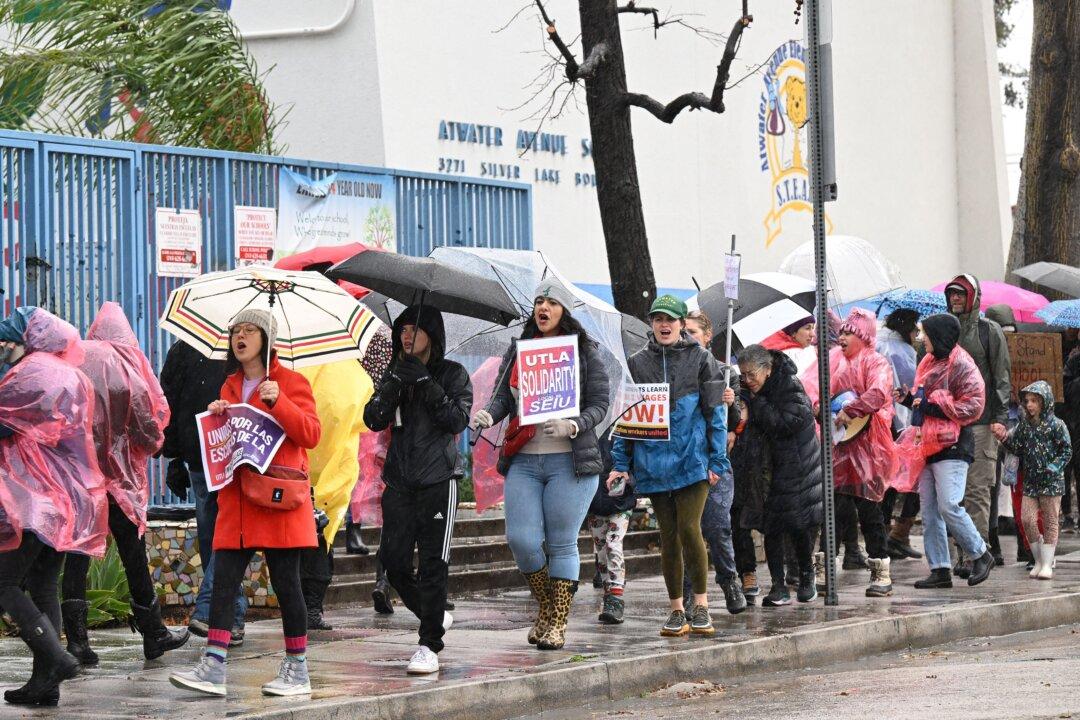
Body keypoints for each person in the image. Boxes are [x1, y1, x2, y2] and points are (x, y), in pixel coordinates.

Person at [171, 309, 321, 698]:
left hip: (278, 499)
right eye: (235, 330)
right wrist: (219, 416)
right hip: (237, 501)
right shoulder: (229, 386)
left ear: (266, 339)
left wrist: (281, 402)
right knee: (223, 583)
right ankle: (214, 666)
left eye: (249, 330)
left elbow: (311, 434)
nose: (240, 337)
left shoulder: (291, 382)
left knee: (287, 586)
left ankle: (297, 670)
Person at [472, 280, 610, 650]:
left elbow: (600, 403)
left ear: (564, 311)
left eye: (551, 302)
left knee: (562, 542)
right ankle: (548, 606)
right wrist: (489, 413)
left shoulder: (584, 352)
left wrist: (575, 424)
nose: (543, 307)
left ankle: (557, 623)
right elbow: (503, 396)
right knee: (522, 540)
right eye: (538, 302)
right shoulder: (519, 351)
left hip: (571, 461)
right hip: (525, 460)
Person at [609, 294, 744, 638]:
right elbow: (627, 418)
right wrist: (621, 463)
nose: (664, 324)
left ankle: (701, 605)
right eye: (657, 319)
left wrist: (717, 460)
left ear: (683, 324)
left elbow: (715, 414)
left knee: (689, 529)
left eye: (670, 318)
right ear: (651, 324)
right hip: (652, 464)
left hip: (692, 461)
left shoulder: (701, 359)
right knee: (668, 536)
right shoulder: (636, 363)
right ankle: (676, 611)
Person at [62, 303, 189, 665]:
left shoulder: (77, 362)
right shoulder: (129, 369)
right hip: (120, 485)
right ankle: (154, 633)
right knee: (133, 557)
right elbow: (150, 431)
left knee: (77, 555)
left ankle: (77, 643)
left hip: (81, 482)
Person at [0, 307, 107, 707]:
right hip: (69, 499)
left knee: (4, 582)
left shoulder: (33, 373)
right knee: (43, 582)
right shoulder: (70, 373)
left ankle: (57, 659)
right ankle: (46, 683)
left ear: (23, 342)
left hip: (36, 497)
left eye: (5, 344)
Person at [363, 304, 472, 674]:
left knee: (432, 564)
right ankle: (434, 615)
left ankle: (429, 646)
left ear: (432, 334)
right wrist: (395, 381)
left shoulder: (452, 373)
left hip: (438, 479)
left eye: (415, 329)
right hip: (399, 480)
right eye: (402, 329)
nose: (407, 336)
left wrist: (426, 383)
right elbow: (373, 417)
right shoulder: (394, 371)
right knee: (393, 563)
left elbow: (457, 419)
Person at [159, 339, 247, 646]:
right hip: (198, 457)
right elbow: (168, 401)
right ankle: (232, 616)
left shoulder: (244, 353)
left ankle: (212, 610)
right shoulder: (184, 350)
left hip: (233, 458)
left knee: (223, 536)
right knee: (212, 538)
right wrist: (173, 458)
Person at [900, 314, 995, 589]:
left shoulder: (962, 364)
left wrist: (930, 404)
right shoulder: (929, 362)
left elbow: (971, 407)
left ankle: (980, 553)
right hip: (928, 444)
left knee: (949, 504)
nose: (921, 339)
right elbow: (924, 402)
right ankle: (940, 568)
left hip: (953, 446)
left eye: (925, 334)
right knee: (930, 511)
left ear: (938, 336)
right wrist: (908, 399)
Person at [817, 309, 897, 598]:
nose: (842, 337)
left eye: (849, 332)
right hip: (840, 446)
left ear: (863, 336)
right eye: (841, 332)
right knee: (833, 507)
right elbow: (818, 392)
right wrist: (820, 409)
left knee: (869, 509)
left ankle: (881, 573)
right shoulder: (834, 361)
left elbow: (878, 394)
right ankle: (825, 568)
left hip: (869, 447)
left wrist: (850, 410)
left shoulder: (876, 362)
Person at [737, 344, 822, 606]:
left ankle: (806, 575)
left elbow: (785, 422)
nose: (748, 381)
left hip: (796, 466)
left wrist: (757, 402)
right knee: (770, 527)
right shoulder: (749, 392)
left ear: (768, 369)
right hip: (765, 468)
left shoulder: (789, 386)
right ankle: (778, 585)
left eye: (752, 375)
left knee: (797, 524)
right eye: (743, 376)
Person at [680, 309, 750, 606]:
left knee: (717, 524)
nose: (687, 337)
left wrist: (732, 403)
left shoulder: (725, 372)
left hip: (714, 460)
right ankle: (686, 592)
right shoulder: (677, 370)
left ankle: (729, 580)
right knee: (687, 529)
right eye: (684, 332)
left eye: (693, 332)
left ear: (707, 337)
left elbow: (735, 420)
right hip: (685, 459)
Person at [298, 359, 372, 631]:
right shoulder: (351, 369)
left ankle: (309, 608)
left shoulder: (290, 366)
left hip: (314, 463)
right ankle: (310, 608)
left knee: (316, 538)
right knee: (318, 537)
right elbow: (365, 414)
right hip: (327, 466)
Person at [944, 275, 1011, 576]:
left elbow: (1001, 376)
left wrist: (1000, 417)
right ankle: (962, 554)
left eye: (961, 294)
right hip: (949, 424)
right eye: (952, 294)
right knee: (953, 494)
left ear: (972, 297)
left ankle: (977, 552)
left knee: (977, 491)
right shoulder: (944, 330)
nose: (955, 299)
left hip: (983, 424)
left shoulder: (989, 331)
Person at [995, 381, 1072, 579]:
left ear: (1044, 402)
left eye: (1034, 401)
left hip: (1051, 482)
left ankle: (1047, 562)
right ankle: (1038, 559)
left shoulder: (1056, 425)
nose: (1029, 405)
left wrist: (1053, 468)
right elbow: (1017, 448)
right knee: (1027, 519)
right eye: (1027, 401)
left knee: (1050, 521)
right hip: (1031, 481)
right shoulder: (1025, 426)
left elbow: (1066, 450)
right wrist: (1004, 438)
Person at [876, 309, 923, 561]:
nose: (917, 334)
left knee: (888, 479)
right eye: (916, 329)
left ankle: (884, 533)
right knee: (912, 478)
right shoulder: (902, 351)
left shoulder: (876, 344)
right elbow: (913, 384)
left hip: (881, 419)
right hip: (903, 420)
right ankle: (899, 534)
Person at [586, 437, 637, 624]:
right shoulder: (591, 428)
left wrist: (631, 480)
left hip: (621, 501)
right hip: (595, 502)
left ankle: (616, 597)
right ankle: (608, 593)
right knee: (600, 550)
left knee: (613, 544)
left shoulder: (623, 426)